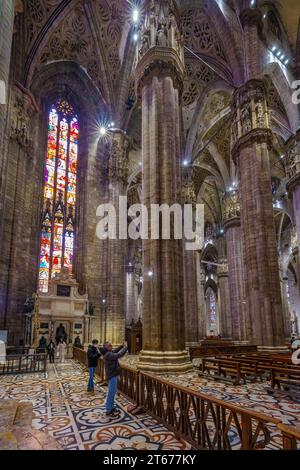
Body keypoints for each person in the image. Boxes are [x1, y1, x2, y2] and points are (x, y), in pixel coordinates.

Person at [101, 341, 128, 417]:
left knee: (113, 392)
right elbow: (119, 354)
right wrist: (125, 347)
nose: (111, 346)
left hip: (113, 374)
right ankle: (108, 410)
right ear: (106, 347)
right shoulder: (108, 354)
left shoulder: (109, 352)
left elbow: (115, 351)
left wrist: (121, 346)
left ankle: (111, 407)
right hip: (112, 375)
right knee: (111, 393)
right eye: (110, 345)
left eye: (111, 345)